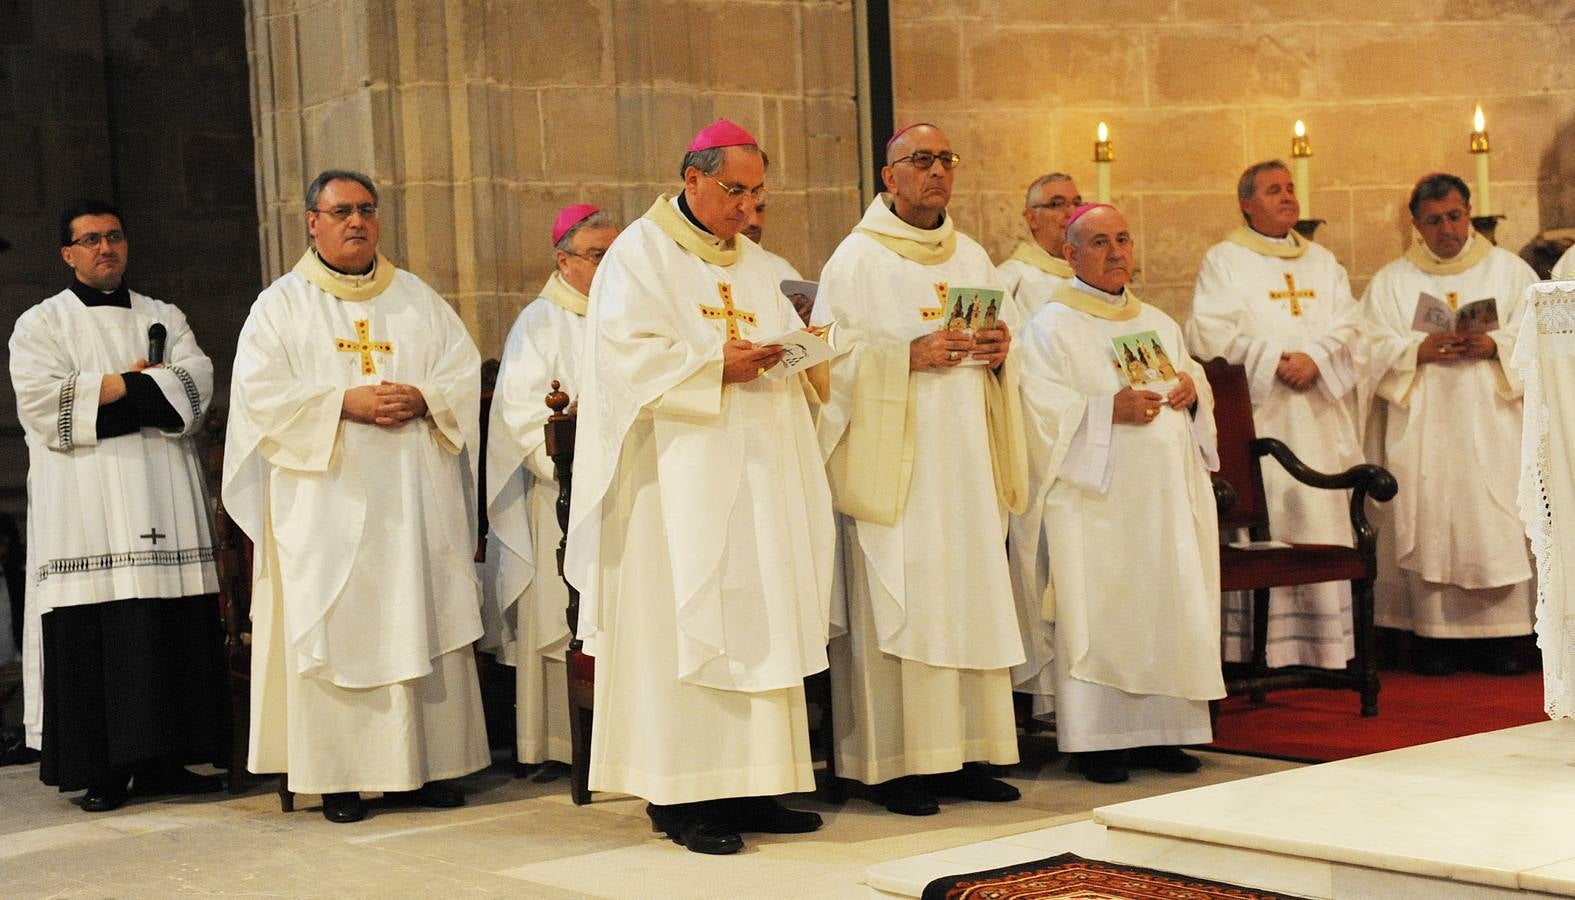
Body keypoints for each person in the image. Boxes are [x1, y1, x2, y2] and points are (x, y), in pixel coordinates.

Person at [563, 120, 836, 855]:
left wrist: (800, 347)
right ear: (692, 180)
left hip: (758, 469)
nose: (747, 206)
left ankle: (755, 783)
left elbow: (790, 349)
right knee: (683, 625)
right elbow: (624, 360)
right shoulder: (638, 259)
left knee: (758, 615)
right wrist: (715, 364)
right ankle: (682, 798)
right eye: (734, 190)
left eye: (756, 192)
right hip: (672, 481)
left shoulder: (758, 264)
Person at [223, 170, 489, 824]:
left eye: (367, 210)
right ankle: (338, 775)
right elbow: (258, 401)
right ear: (311, 221)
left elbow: (461, 372)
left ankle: (424, 770)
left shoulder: (418, 298)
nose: (357, 222)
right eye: (341, 211)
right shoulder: (280, 306)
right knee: (341, 626)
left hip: (412, 502)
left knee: (417, 611)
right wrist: (344, 401)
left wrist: (425, 398)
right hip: (325, 507)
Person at [814, 122, 1028, 816]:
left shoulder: (969, 254)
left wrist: (1000, 351)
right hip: (898, 464)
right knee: (903, 596)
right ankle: (896, 764)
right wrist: (901, 356)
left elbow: (1004, 344)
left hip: (964, 457)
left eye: (945, 159)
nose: (936, 171)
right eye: (920, 161)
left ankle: (965, 752)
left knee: (966, 596)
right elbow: (828, 360)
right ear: (889, 177)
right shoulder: (857, 259)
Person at [9, 200, 228, 811]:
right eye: (90, 240)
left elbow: (193, 392)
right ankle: (102, 770)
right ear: (67, 253)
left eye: (114, 237)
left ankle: (167, 761)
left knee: (167, 626)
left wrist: (111, 392)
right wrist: (136, 386)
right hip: (85, 508)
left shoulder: (165, 316)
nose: (105, 248)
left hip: (163, 494)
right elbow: (45, 409)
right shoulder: (41, 323)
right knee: (96, 632)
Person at [1010, 203, 1224, 784]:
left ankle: (1166, 731)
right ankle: (1100, 741)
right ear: (1070, 254)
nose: (1115, 253)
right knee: (1102, 610)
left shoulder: (1156, 319)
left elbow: (1191, 376)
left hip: (1164, 500)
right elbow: (1037, 411)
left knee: (1168, 601)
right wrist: (1107, 411)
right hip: (1094, 505)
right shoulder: (1050, 326)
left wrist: (1190, 390)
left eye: (1123, 240)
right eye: (1099, 243)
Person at [1186, 160, 1367, 671]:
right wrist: (1278, 361)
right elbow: (1208, 334)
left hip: (1319, 418)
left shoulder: (1323, 262)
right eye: (1273, 190)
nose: (1288, 197)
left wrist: (1317, 358)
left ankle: (1325, 650)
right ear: (1246, 203)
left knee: (1322, 516)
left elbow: (1354, 327)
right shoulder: (1224, 261)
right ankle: (1258, 651)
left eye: (1290, 188)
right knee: (1275, 519)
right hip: (1263, 421)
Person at [1362, 173, 1537, 675]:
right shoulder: (1393, 281)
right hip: (1427, 428)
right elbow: (1366, 349)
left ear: (1469, 212)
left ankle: (1505, 639)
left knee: (1495, 519)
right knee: (1433, 516)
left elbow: (1543, 340)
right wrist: (1415, 350)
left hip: (1495, 422)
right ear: (1416, 224)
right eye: (1434, 220)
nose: (1447, 229)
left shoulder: (1510, 272)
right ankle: (1433, 638)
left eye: (1455, 216)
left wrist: (1496, 346)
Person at [481, 203, 619, 768]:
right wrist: (575, 450)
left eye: (617, 254)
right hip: (563, 497)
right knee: (566, 620)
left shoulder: (631, 314)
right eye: (598, 255)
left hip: (627, 489)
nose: (610, 266)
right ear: (563, 261)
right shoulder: (540, 323)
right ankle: (564, 746)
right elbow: (520, 416)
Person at [997, 173, 1081, 319]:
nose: (1072, 212)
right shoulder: (1011, 277)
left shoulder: (1093, 273)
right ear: (1032, 218)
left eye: (1077, 203)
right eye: (1057, 204)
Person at [743, 197, 812, 324]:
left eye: (759, 210)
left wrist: (807, 318)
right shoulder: (707, 269)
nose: (754, 222)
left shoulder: (781, 268)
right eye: (745, 211)